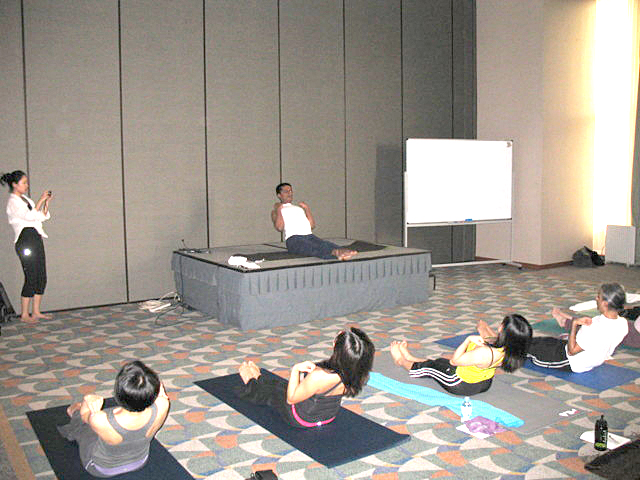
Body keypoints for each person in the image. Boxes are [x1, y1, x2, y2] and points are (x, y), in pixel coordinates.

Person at [236, 327, 374, 428]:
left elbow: (291, 399)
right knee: (280, 385)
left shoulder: (319, 376)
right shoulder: (359, 373)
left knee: (274, 393)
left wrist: (296, 369)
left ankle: (251, 380)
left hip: (303, 418)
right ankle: (259, 377)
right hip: (328, 415)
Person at [57, 360, 170, 478]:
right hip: (139, 462)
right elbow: (160, 394)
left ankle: (73, 410)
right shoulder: (163, 405)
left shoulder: (100, 419)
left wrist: (88, 398)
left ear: (118, 393)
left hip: (101, 469)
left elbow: (84, 415)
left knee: (83, 426)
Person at [390, 314, 533, 396]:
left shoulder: (485, 353)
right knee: (440, 362)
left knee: (430, 367)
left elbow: (454, 361)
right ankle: (412, 358)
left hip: (461, 383)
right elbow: (490, 336)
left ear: (502, 328)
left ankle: (401, 360)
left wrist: (468, 340)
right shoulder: (512, 349)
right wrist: (483, 327)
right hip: (484, 383)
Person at [526, 283, 629, 372]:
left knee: (527, 349)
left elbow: (571, 352)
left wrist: (574, 325)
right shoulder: (622, 323)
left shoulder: (596, 328)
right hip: (591, 359)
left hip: (571, 361)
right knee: (542, 341)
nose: (596, 299)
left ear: (605, 303)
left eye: (599, 297)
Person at [1, 170, 52, 323]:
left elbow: (41, 216)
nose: (26, 185)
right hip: (25, 239)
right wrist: (40, 200)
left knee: (41, 275)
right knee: (31, 275)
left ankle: (36, 311)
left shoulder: (26, 200)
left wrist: (46, 202)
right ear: (14, 185)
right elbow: (29, 216)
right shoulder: (13, 202)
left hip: (35, 238)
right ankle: (24, 314)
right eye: (23, 183)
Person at [271, 182, 357, 260]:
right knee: (313, 248)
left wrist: (306, 209)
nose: (289, 193)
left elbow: (312, 225)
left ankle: (340, 251)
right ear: (279, 195)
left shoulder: (298, 208)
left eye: (290, 191)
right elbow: (279, 227)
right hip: (294, 239)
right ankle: (336, 253)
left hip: (310, 236)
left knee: (325, 244)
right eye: (286, 191)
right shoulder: (276, 210)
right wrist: (279, 210)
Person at [551, 291, 640, 348]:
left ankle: (566, 321)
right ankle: (569, 320)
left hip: (635, 336)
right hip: (633, 329)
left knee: (600, 327)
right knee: (605, 323)